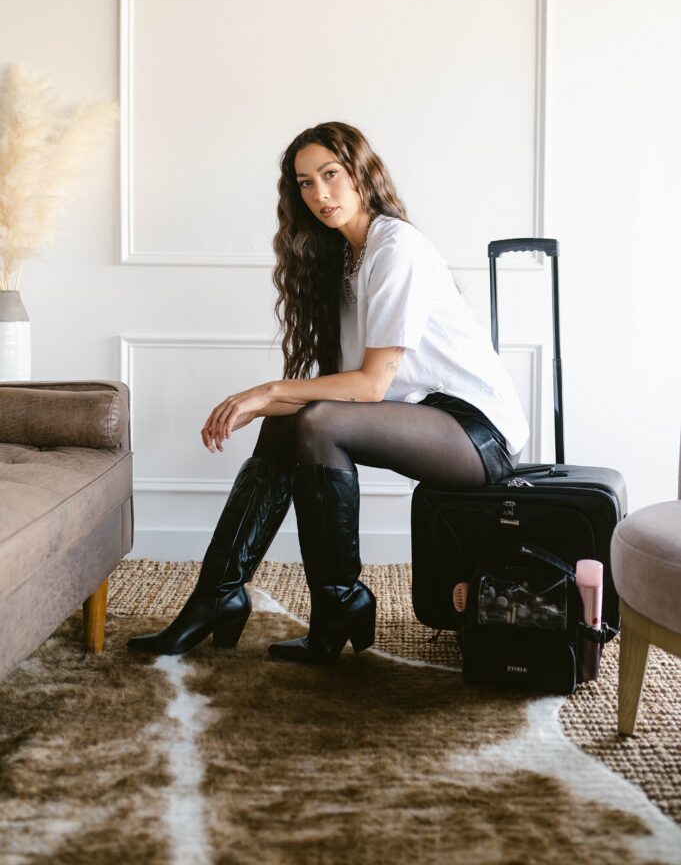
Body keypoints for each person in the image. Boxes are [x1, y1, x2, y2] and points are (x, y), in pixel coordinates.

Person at [127, 122, 529, 664]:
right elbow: (339, 387)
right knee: (291, 421)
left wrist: (265, 390)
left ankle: (338, 599)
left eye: (330, 174)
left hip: (479, 434)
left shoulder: (395, 248)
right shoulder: (343, 258)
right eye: (305, 183)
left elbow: (370, 386)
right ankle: (219, 594)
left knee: (318, 421)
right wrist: (259, 406)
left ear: (362, 173)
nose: (319, 194)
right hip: (426, 420)